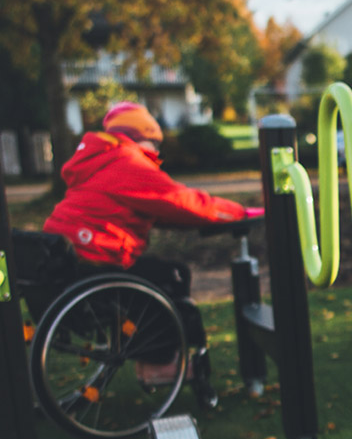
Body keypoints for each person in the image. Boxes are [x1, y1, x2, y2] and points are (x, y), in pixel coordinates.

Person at [43, 101, 262, 406]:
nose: (157, 152)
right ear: (140, 137)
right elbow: (182, 201)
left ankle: (153, 358)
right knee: (169, 276)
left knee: (160, 272)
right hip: (98, 261)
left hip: (71, 262)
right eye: (154, 142)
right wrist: (239, 213)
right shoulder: (128, 163)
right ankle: (159, 363)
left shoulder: (98, 162)